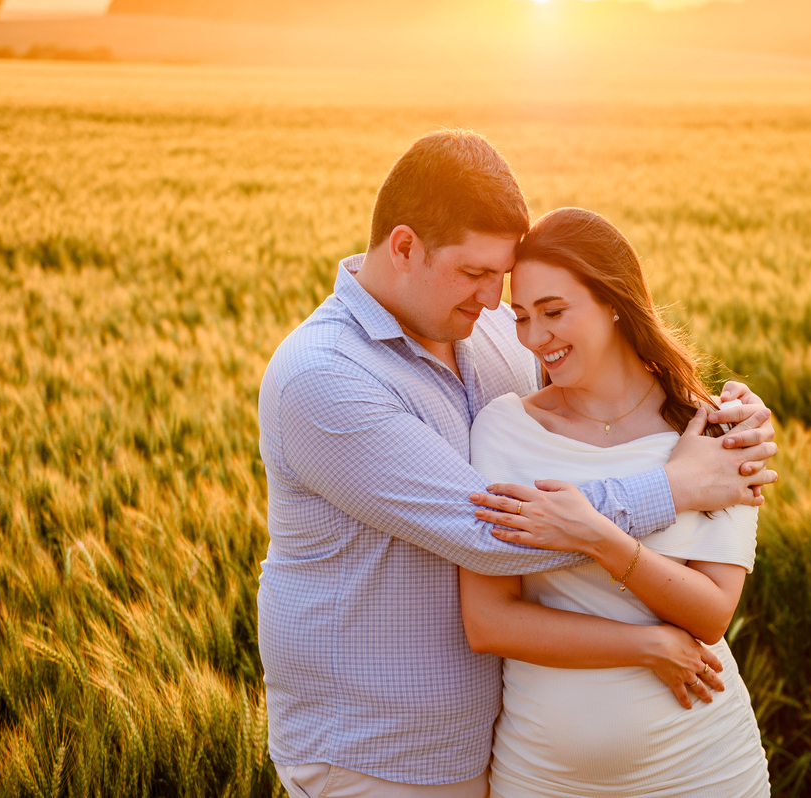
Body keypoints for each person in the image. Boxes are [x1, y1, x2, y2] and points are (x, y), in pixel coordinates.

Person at [256, 130, 777, 798]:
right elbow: (488, 531)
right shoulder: (324, 377)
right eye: (474, 274)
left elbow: (600, 391)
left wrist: (734, 414)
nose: (494, 302)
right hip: (377, 755)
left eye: (499, 279)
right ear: (405, 248)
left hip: (495, 743)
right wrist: (674, 486)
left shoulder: (491, 329)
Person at [462, 207, 770, 797]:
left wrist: (597, 536)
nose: (534, 337)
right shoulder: (503, 429)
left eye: (554, 312)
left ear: (613, 300)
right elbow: (488, 620)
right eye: (521, 317)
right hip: (542, 776)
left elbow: (710, 615)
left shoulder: (711, 429)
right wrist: (647, 646)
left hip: (703, 770)